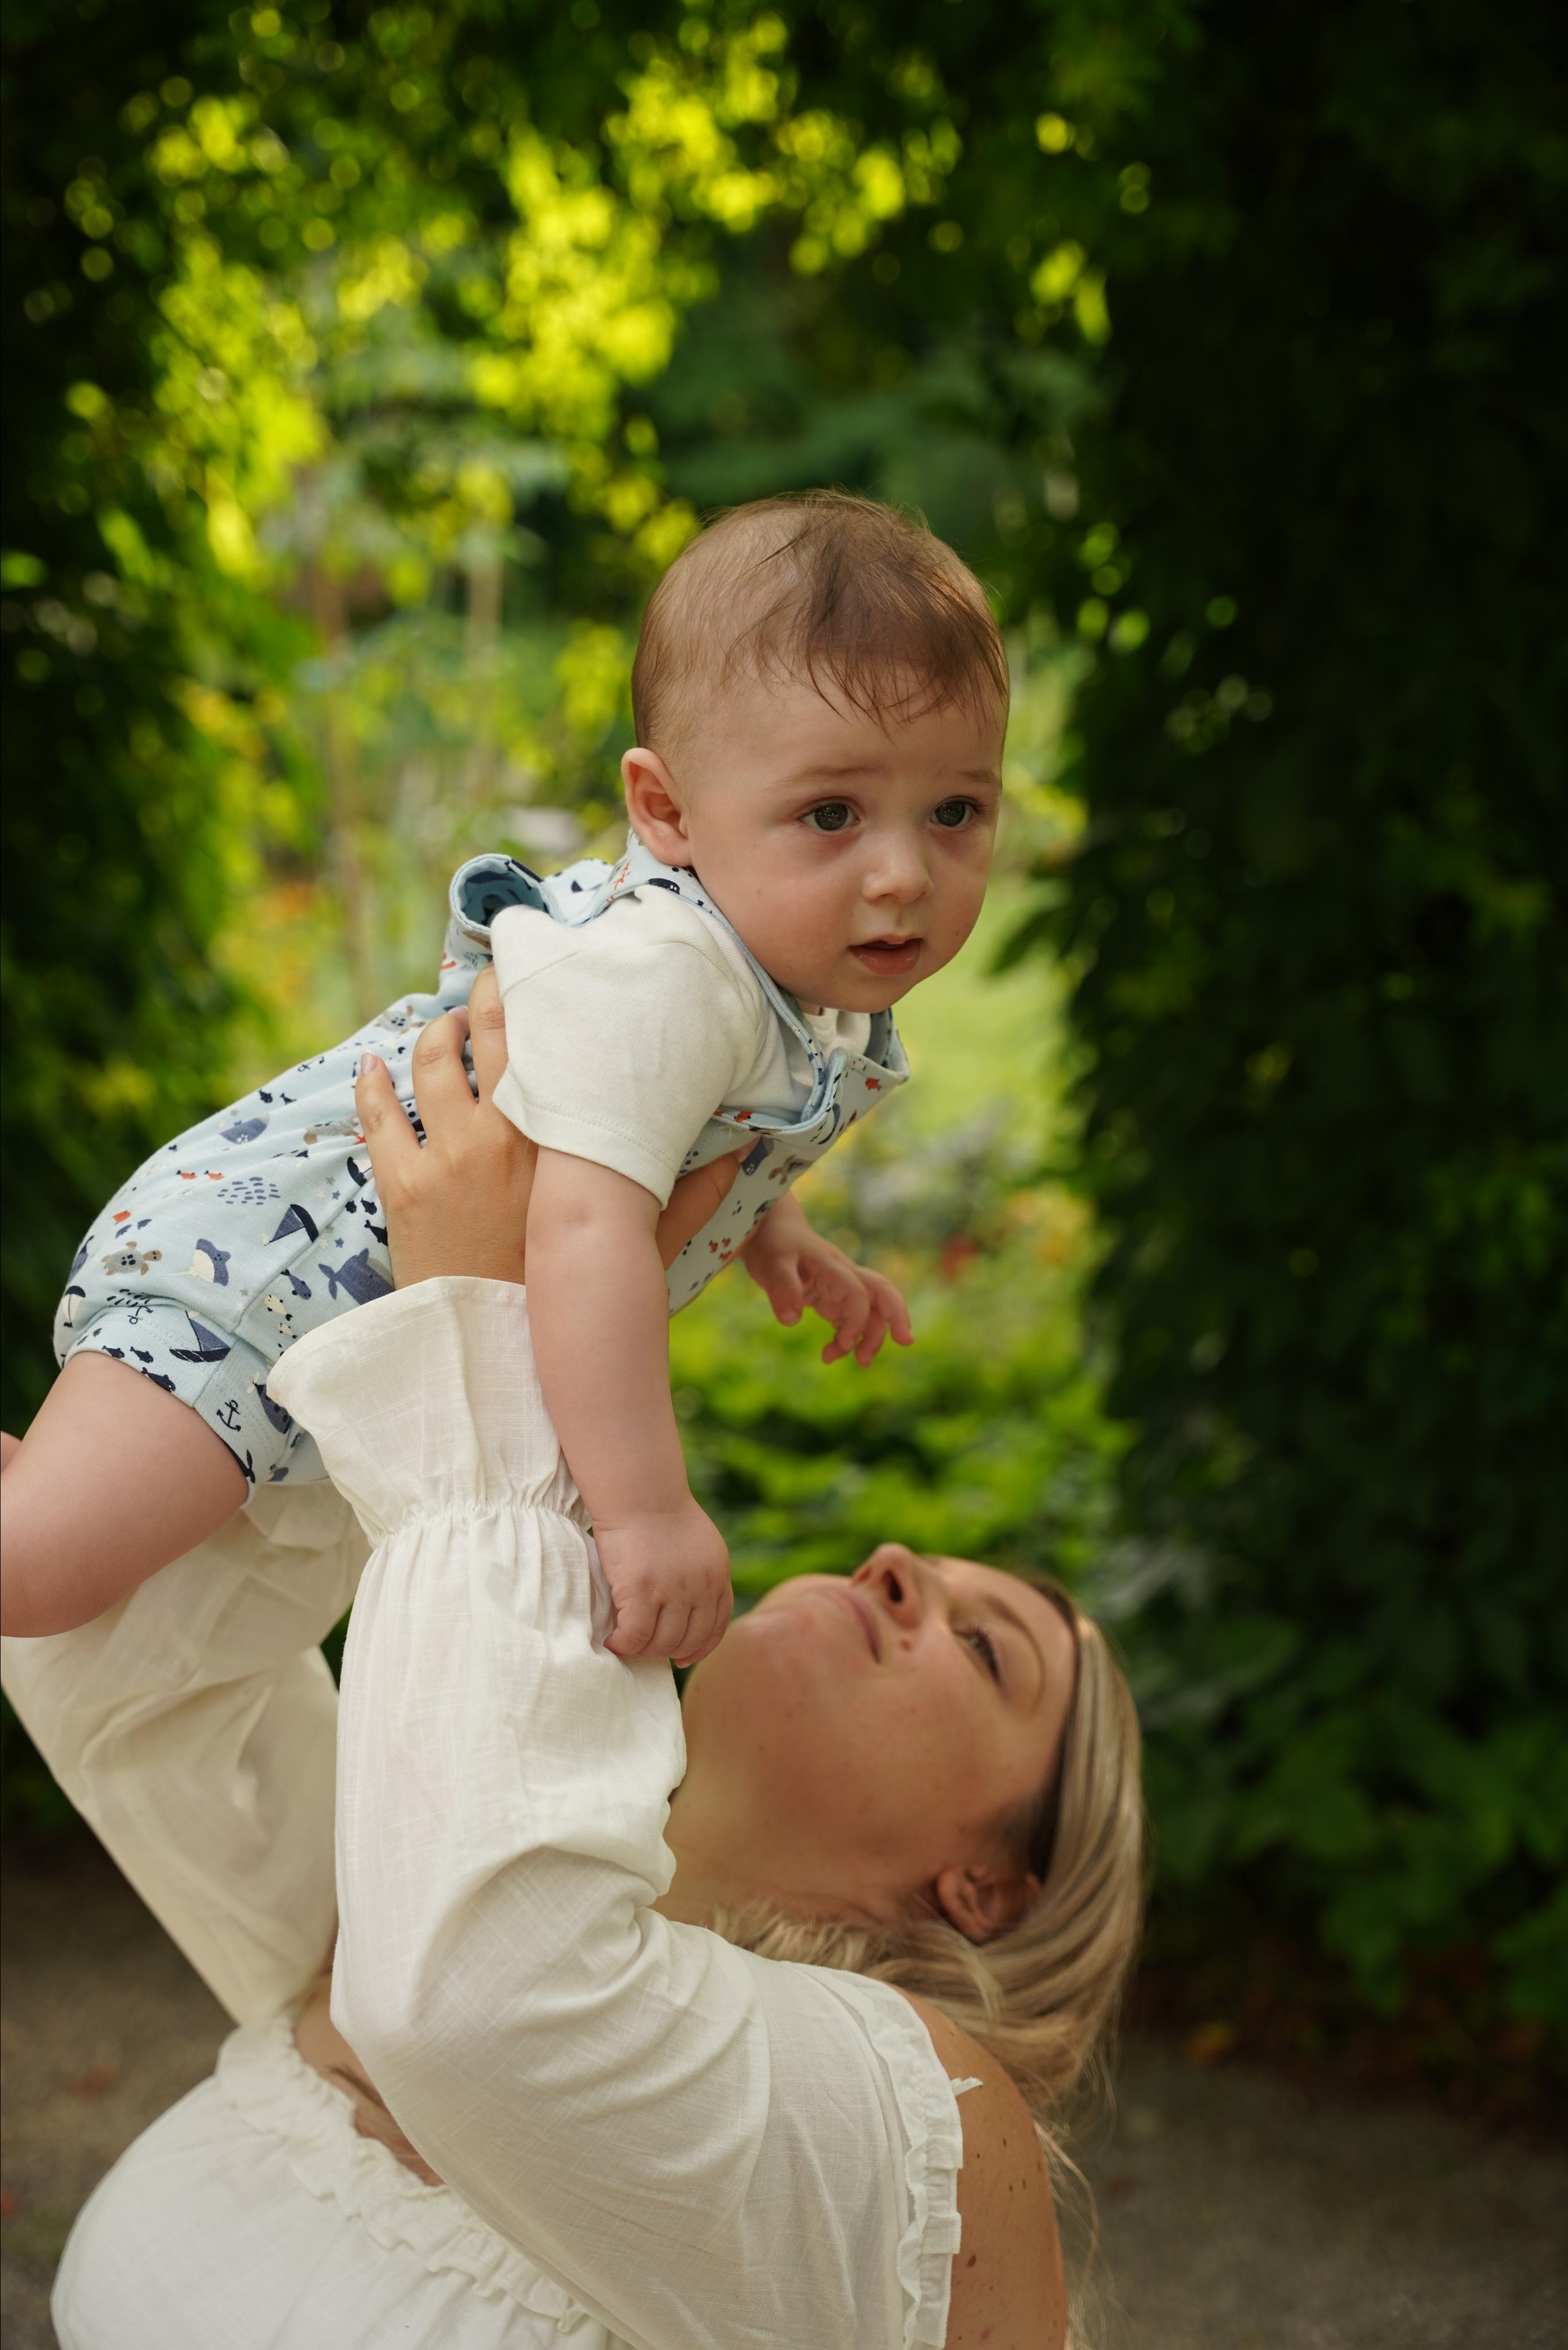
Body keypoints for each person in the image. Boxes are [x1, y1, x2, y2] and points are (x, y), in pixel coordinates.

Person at [2, 978, 1144, 2350]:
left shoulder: (928, 2127)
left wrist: (491, 1331)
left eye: (978, 1644)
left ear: (988, 1887)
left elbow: (479, 1996)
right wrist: (354, 1309)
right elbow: (119, 1669)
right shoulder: (417, 1901)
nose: (898, 1561)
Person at [1, 490, 1011, 1666]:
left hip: (345, 1296)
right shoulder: (676, 977)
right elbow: (584, 1230)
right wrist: (643, 1511)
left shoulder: (756, 975)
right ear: (667, 809)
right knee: (34, 1578)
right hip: (260, 1281)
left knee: (108, 1579)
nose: (902, 873)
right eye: (831, 813)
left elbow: (675, 1122)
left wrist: (775, 1231)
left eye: (955, 810)